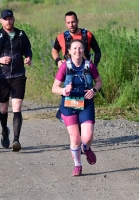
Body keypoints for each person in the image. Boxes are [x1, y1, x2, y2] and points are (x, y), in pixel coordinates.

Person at [0, 9, 32, 152]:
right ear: (1, 21)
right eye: (5, 19)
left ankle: (16, 140)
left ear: (14, 19)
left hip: (18, 75)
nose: (8, 21)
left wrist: (28, 57)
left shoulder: (21, 34)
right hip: (1, 76)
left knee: (17, 107)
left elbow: (27, 49)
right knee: (3, 108)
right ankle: (4, 131)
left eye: (10, 18)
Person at [52, 39, 102, 176]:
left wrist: (94, 90)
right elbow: (54, 88)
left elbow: (98, 82)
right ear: (69, 51)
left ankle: (86, 148)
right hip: (69, 104)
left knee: (88, 137)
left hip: (86, 104)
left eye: (80, 48)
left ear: (84, 50)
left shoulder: (89, 65)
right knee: (75, 138)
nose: (77, 51)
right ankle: (77, 165)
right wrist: (64, 90)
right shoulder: (65, 67)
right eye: (74, 48)